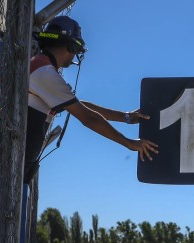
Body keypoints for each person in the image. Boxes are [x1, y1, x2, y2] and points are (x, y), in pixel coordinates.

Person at [24, 15, 158, 182]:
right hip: (12, 166)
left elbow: (80, 106)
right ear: (72, 46)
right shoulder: (45, 72)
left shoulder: (41, 66)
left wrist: (126, 117)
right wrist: (128, 142)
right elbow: (88, 117)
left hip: (15, 164)